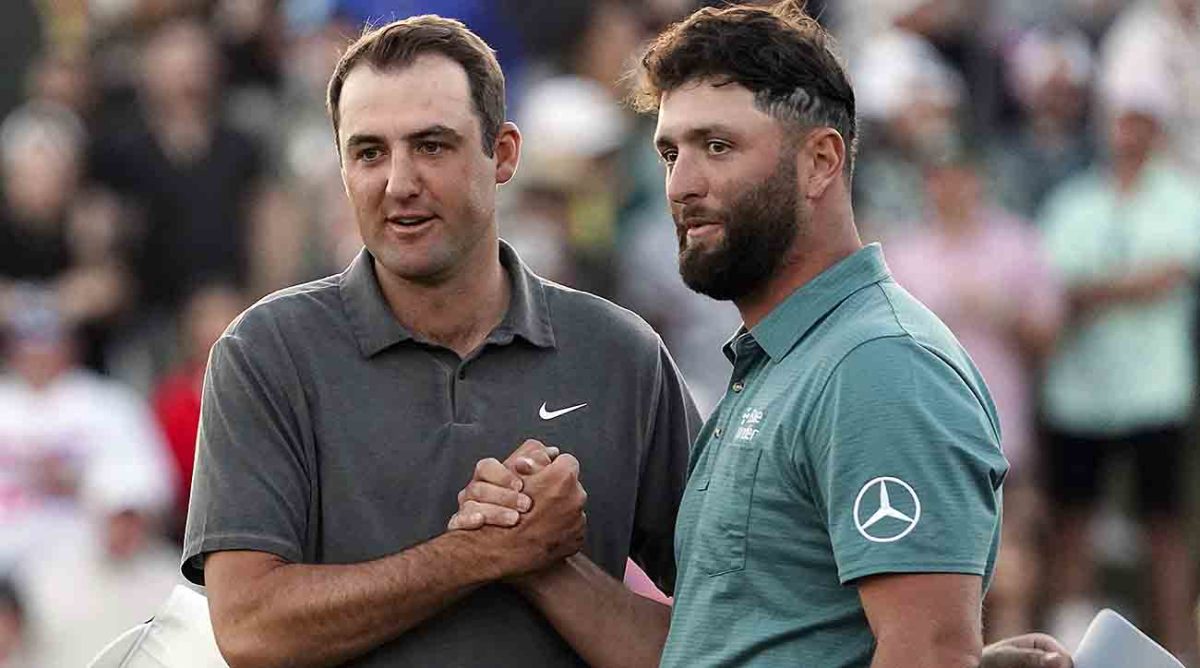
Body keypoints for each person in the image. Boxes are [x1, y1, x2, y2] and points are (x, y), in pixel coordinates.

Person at [453, 3, 1072, 667]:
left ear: (821, 162)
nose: (682, 186)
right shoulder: (788, 363)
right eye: (669, 153)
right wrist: (539, 559)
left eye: (717, 146)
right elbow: (711, 652)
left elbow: (929, 652)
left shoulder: (878, 367)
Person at [183, 15, 698, 668]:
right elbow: (250, 630)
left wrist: (545, 566)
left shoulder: (621, 354)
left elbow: (733, 620)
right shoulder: (264, 353)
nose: (399, 183)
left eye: (432, 146)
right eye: (369, 152)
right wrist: (477, 554)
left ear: (503, 154)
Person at [1038, 69, 1200, 662]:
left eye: (1138, 120)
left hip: (1153, 390)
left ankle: (1182, 651)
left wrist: (1096, 290)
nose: (1127, 132)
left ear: (1154, 129)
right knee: (1072, 529)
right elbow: (1060, 290)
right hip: (1080, 394)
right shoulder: (1074, 201)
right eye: (1120, 120)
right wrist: (1127, 287)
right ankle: (1064, 655)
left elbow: (1168, 275)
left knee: (1166, 530)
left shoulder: (1183, 199)